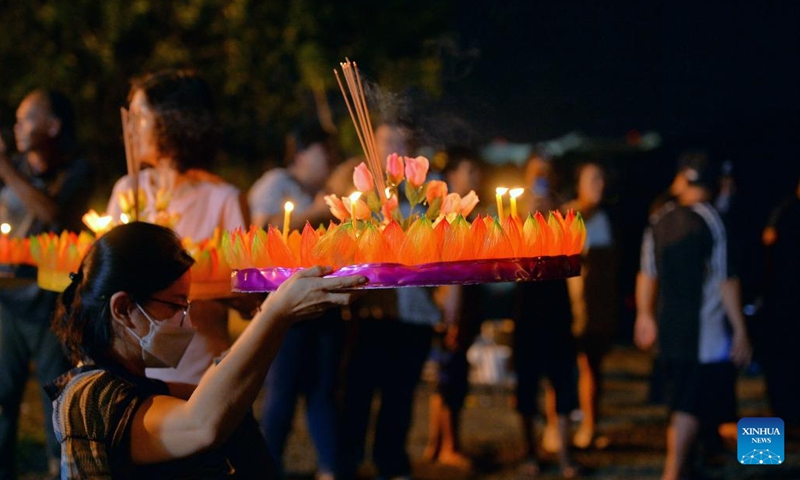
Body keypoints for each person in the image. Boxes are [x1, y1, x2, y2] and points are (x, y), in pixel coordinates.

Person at [45, 221, 366, 478]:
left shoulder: (134, 384)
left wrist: (265, 316)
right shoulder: (88, 397)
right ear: (124, 307)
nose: (188, 320)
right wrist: (276, 313)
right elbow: (202, 423)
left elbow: (219, 395)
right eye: (175, 305)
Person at [106, 69, 250, 386]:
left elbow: (251, 300)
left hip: (201, 377)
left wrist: (208, 290)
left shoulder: (223, 199)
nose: (129, 129)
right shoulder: (127, 191)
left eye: (140, 117)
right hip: (131, 374)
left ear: (174, 121)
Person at [634, 151, 752, 480]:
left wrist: (644, 315)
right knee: (692, 402)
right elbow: (727, 279)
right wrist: (741, 329)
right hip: (707, 333)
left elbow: (646, 273)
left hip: (670, 329)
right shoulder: (714, 219)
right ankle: (674, 471)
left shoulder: (660, 218)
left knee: (685, 402)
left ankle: (688, 465)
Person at [337, 119, 439, 480]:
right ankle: (345, 462)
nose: (391, 149)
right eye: (384, 141)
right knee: (357, 390)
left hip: (413, 312)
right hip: (368, 311)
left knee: (400, 394)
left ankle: (391, 462)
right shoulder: (358, 187)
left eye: (399, 141)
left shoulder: (424, 192)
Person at [0, 89, 94, 479]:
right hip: (7, 304)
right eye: (18, 118)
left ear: (53, 127)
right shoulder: (15, 166)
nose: (18, 126)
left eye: (28, 118)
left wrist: (4, 166)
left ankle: (62, 470)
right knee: (2, 400)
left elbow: (54, 214)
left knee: (56, 401)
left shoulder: (78, 170)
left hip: (52, 308)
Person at [248, 123, 343, 479]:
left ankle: (331, 468)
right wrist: (317, 212)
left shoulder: (321, 191)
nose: (330, 160)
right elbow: (260, 229)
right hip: (287, 306)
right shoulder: (276, 182)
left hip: (323, 302)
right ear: (302, 152)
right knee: (283, 392)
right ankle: (267, 466)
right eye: (325, 152)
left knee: (322, 391)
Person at [513, 151, 580, 479]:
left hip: (557, 307)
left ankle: (565, 454)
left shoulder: (563, 210)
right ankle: (530, 451)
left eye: (546, 171)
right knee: (527, 384)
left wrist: (554, 215)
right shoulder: (514, 209)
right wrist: (526, 216)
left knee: (563, 382)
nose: (540, 177)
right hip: (526, 306)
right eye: (535, 171)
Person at [422, 146, 485, 470]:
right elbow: (451, 272)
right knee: (452, 380)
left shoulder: (448, 214)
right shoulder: (452, 217)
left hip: (451, 312)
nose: (476, 178)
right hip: (453, 312)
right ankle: (450, 446)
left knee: (443, 381)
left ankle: (435, 443)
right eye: (469, 172)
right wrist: (453, 317)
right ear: (453, 176)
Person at [561, 161, 618, 450]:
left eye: (602, 178)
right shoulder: (572, 214)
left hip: (598, 308)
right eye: (593, 178)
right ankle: (556, 429)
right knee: (564, 368)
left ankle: (590, 426)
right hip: (574, 307)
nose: (600, 183)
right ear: (579, 183)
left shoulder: (604, 217)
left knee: (593, 368)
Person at [758, 173, 800, 426]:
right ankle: (784, 412)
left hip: (784, 296)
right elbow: (769, 251)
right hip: (784, 296)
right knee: (784, 356)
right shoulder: (785, 211)